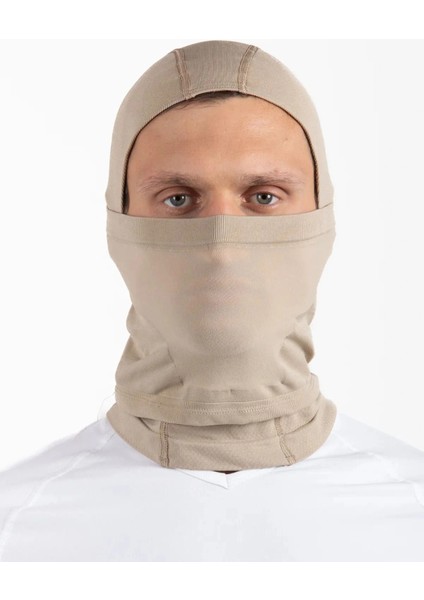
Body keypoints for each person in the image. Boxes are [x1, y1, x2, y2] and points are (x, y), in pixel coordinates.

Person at [0, 39, 423, 562]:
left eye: (264, 197)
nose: (222, 247)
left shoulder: (412, 513)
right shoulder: (16, 528)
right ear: (118, 222)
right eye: (178, 199)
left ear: (323, 216)